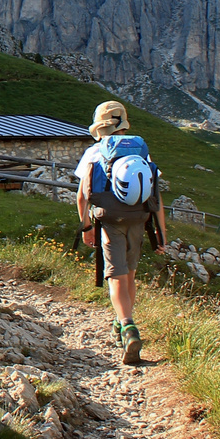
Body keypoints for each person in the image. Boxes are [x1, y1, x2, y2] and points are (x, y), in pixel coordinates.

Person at [76, 100, 167, 364]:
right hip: (139, 219)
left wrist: (86, 227)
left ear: (100, 127)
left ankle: (128, 327)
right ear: (124, 124)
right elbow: (156, 196)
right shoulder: (141, 150)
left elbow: (83, 196)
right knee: (130, 275)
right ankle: (120, 321)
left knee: (115, 275)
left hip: (109, 221)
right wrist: (161, 234)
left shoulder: (94, 152)